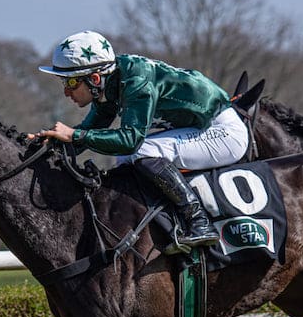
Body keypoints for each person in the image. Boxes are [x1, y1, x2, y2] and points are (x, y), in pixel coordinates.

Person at [32, 30, 249, 249]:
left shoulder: (136, 82)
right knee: (126, 157)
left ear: (94, 78)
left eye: (70, 83)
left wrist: (74, 134)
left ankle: (199, 221)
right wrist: (52, 145)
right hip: (200, 128)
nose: (67, 93)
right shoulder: (109, 82)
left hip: (224, 132)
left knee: (140, 151)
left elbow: (130, 140)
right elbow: (90, 130)